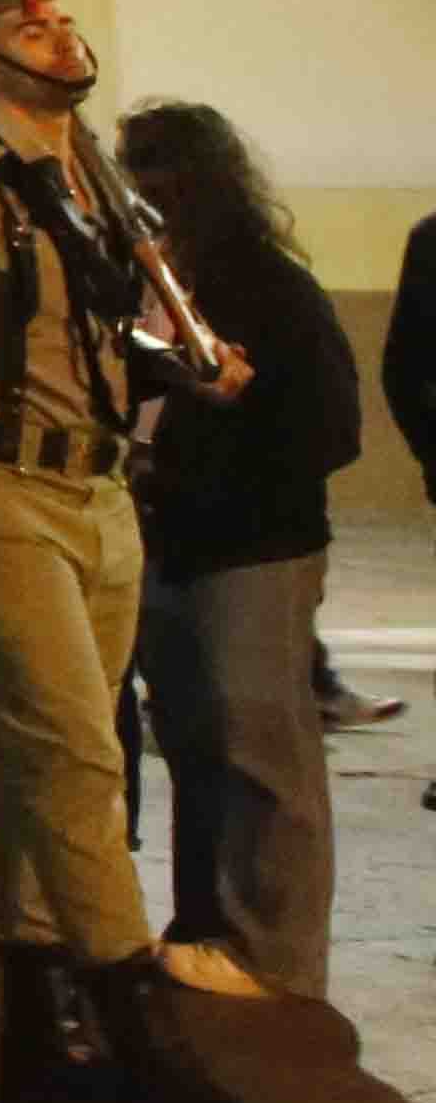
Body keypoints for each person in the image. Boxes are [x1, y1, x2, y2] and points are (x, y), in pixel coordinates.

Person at [0, 0, 300, 1103]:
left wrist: (182, 367)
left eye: (59, 16)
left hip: (98, 488)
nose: (59, 33)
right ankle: (143, 1050)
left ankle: (38, 1050)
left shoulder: (89, 187)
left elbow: (83, 337)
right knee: (76, 761)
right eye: (30, 24)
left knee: (49, 768)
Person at [115, 100, 356, 1006]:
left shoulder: (267, 285)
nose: (140, 188)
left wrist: (208, 473)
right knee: (194, 742)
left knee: (261, 745)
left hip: (254, 545)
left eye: (155, 169)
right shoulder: (145, 282)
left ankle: (275, 951)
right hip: (171, 539)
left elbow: (329, 428)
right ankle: (205, 924)